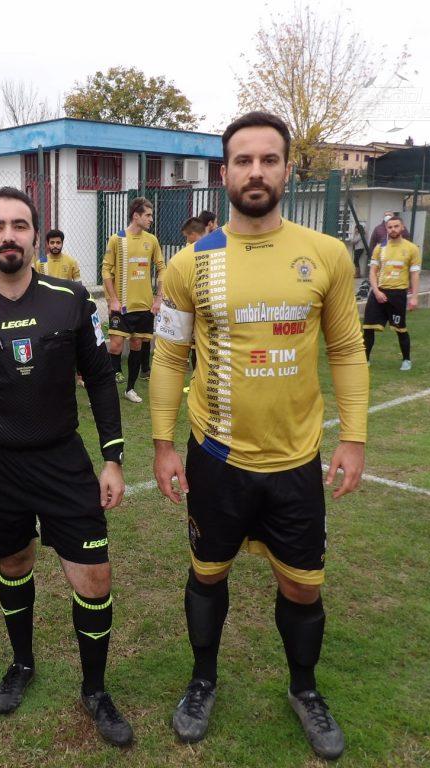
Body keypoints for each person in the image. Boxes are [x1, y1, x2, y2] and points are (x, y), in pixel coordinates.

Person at [150, 111, 369, 761]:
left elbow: (346, 349)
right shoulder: (190, 263)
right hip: (215, 456)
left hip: (295, 460)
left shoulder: (325, 255)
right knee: (207, 572)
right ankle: (202, 680)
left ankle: (304, 689)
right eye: (242, 161)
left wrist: (353, 438)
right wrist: (163, 444)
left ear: (287, 170)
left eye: (268, 160)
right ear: (223, 174)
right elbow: (168, 357)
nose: (255, 171)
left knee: (303, 586)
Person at [0, 187, 133, 747]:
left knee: (93, 577)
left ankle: (95, 690)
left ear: (35, 234)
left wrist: (113, 457)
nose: (9, 236)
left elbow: (100, 379)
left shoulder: (71, 299)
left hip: (62, 461)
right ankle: (22, 663)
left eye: (19, 225)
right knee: (15, 561)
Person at [102, 197, 164, 403]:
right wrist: (112, 300)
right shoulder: (117, 239)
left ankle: (130, 388)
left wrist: (158, 298)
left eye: (151, 215)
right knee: (116, 345)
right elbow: (106, 270)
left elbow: (162, 268)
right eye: (148, 215)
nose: (151, 219)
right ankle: (109, 388)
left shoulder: (152, 240)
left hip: (144, 305)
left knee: (137, 344)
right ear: (136, 216)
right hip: (122, 306)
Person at [362, 216, 421, 371]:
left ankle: (406, 360)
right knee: (368, 327)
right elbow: (372, 272)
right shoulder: (380, 247)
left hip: (398, 295)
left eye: (396, 226)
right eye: (390, 227)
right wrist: (376, 291)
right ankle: (365, 360)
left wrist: (414, 297)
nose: (393, 229)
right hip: (379, 292)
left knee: (400, 329)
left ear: (402, 227)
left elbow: (415, 274)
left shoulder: (412, 248)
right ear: (386, 229)